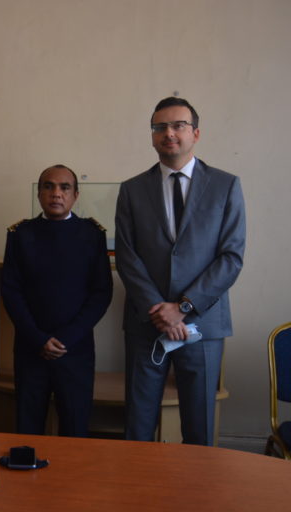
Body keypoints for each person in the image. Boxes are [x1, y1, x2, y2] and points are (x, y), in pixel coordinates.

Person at [115, 97, 246, 445]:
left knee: (199, 429)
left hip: (202, 325)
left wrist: (183, 307)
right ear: (152, 136)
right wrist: (159, 310)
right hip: (147, 323)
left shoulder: (225, 185)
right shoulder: (132, 190)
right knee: (138, 426)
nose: (168, 133)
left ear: (196, 133)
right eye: (160, 127)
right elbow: (127, 256)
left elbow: (231, 257)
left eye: (178, 125)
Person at [1, 165, 113, 436]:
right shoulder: (20, 234)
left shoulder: (92, 234)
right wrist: (38, 338)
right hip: (31, 348)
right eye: (48, 186)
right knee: (28, 429)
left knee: (75, 428)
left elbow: (101, 293)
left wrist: (66, 338)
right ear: (39, 193)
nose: (56, 193)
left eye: (64, 187)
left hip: (75, 350)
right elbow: (11, 291)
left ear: (75, 195)